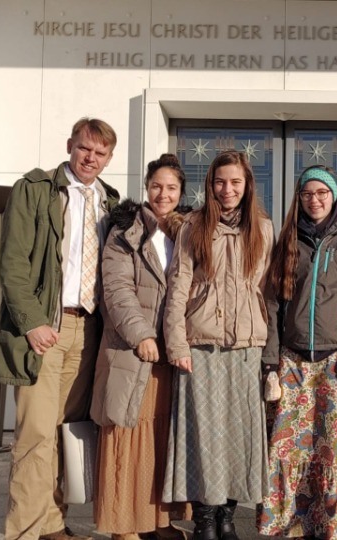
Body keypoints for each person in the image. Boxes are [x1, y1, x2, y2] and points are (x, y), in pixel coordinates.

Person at [0, 118, 120, 540]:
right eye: (85, 148)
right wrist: (32, 324)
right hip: (48, 327)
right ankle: (25, 531)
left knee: (65, 435)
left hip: (89, 331)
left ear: (109, 158)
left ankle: (51, 523)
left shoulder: (109, 200)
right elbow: (11, 265)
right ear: (70, 145)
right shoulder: (34, 190)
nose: (91, 158)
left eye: (100, 153)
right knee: (34, 435)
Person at [162, 150, 274, 540]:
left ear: (247, 186)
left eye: (235, 182)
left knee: (237, 433)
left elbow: (265, 291)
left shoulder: (263, 227)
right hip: (202, 344)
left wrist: (268, 353)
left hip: (246, 346)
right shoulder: (193, 226)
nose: (227, 189)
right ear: (210, 185)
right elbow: (177, 289)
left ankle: (228, 515)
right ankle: (205, 518)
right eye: (220, 182)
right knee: (204, 434)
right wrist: (176, 344)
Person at [257, 165, 337, 540]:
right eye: (308, 193)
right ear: (299, 199)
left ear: (335, 196)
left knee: (335, 451)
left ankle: (335, 526)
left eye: (322, 193)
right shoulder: (288, 240)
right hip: (292, 362)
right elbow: (273, 303)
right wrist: (270, 360)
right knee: (288, 448)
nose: (315, 199)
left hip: (335, 362)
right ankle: (287, 524)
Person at [90, 154, 193, 540]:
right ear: (146, 187)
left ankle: (157, 521)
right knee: (125, 436)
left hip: (170, 356)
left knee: (159, 440)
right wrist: (142, 336)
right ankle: (122, 526)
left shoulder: (187, 233)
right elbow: (116, 291)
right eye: (156, 186)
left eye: (171, 188)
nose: (162, 194)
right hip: (133, 352)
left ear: (181, 192)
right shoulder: (125, 231)